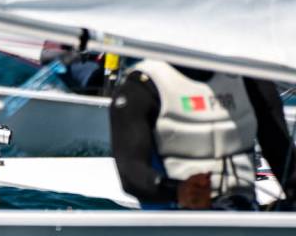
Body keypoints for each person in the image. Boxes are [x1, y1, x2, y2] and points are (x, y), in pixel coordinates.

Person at [109, 57, 295, 209]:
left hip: (242, 211)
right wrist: (178, 191)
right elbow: (131, 173)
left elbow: (281, 155)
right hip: (175, 219)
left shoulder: (251, 80)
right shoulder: (141, 86)